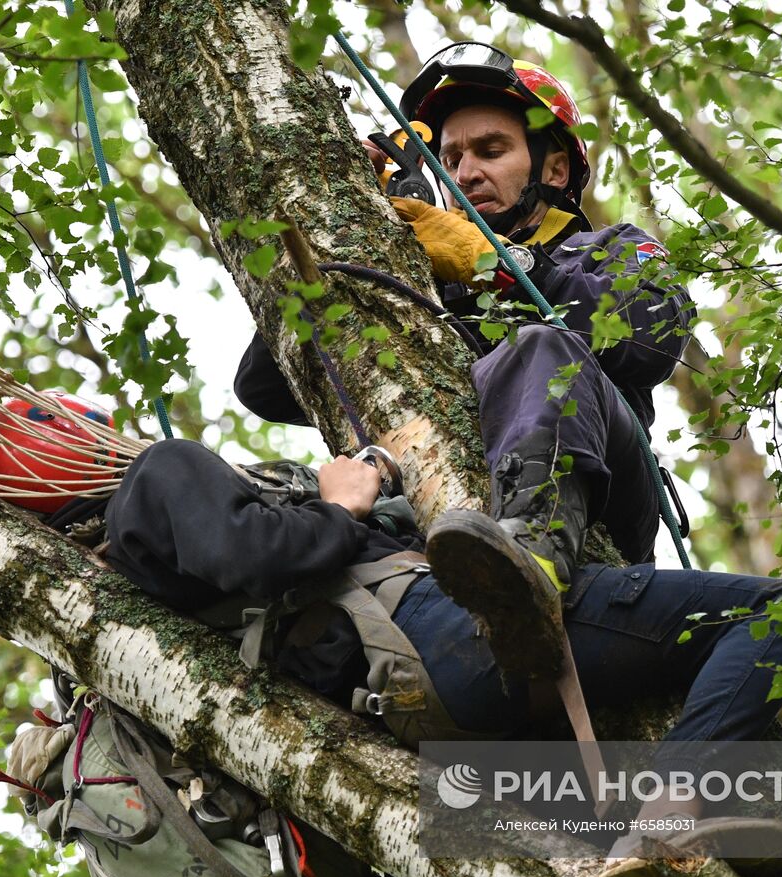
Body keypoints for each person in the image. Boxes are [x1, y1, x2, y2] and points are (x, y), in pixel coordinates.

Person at [0, 389, 782, 877]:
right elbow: (261, 554)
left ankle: (644, 841)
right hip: (440, 632)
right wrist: (342, 501)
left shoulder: (102, 624)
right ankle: (674, 800)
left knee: (638, 872)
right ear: (76, 441)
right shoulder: (158, 475)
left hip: (418, 723)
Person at [233, 44, 696, 669]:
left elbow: (649, 335)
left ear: (553, 169)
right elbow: (265, 383)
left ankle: (533, 562)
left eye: (491, 150)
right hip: (450, 520)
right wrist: (346, 232)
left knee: (539, 346)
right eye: (449, 158)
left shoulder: (608, 250)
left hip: (607, 489)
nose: (466, 172)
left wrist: (496, 266)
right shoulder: (426, 279)